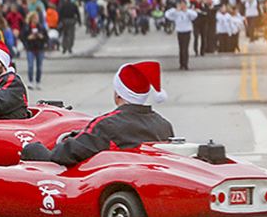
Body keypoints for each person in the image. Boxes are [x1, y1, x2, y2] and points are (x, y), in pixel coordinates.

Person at [21, 61, 174, 166]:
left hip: (109, 182)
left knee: (32, 149)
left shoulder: (107, 124)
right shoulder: (164, 125)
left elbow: (68, 153)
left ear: (118, 94)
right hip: (146, 181)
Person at [165, 0, 198, 71]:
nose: (182, 6)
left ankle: (185, 64)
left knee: (185, 48)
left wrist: (186, 11)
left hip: (187, 31)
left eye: (184, 4)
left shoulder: (188, 12)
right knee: (181, 48)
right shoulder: (176, 12)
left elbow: (195, 15)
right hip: (180, 31)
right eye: (181, 4)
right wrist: (175, 10)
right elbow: (167, 15)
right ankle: (181, 64)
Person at [21, 11, 48, 90]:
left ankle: (38, 81)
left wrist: (41, 37)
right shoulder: (27, 28)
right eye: (34, 18)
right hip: (30, 48)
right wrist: (28, 38)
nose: (36, 20)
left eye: (37, 18)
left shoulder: (41, 27)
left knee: (39, 66)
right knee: (30, 66)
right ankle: (30, 81)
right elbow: (23, 37)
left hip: (40, 48)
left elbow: (46, 38)